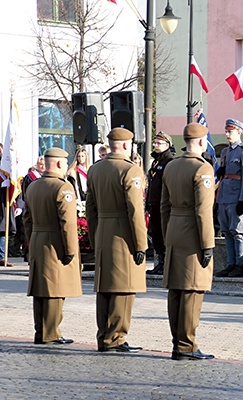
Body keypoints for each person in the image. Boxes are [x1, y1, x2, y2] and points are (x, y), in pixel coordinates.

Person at [86, 127, 147, 353]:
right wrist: (141, 244)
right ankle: (116, 338)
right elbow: (135, 211)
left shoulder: (95, 169)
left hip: (103, 230)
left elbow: (90, 209)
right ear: (124, 145)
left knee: (105, 287)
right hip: (123, 233)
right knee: (124, 287)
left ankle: (104, 335)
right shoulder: (130, 171)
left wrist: (94, 237)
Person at [161, 123, 215, 360]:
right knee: (192, 290)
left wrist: (166, 235)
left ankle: (177, 342)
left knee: (175, 290)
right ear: (202, 142)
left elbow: (163, 206)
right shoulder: (202, 168)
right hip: (193, 232)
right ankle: (187, 345)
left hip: (174, 228)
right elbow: (203, 211)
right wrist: (207, 244)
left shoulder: (171, 166)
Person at [23, 147, 81, 345]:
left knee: (40, 289)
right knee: (55, 289)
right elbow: (68, 223)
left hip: (38, 239)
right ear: (58, 164)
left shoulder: (33, 186)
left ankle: (41, 330)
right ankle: (51, 332)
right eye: (64, 163)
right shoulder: (63, 188)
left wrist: (31, 241)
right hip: (55, 241)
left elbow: (27, 220)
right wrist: (71, 250)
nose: (66, 166)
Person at [215, 118, 243, 278]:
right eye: (226, 131)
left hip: (236, 197)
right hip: (224, 197)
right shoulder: (226, 152)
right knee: (226, 231)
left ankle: (240, 265)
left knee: (238, 232)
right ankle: (231, 264)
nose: (227, 134)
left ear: (239, 132)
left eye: (230, 131)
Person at [146, 132, 175, 275]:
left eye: (159, 143)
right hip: (154, 203)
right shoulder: (156, 161)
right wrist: (147, 203)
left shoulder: (169, 161)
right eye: (155, 143)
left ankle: (166, 263)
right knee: (156, 234)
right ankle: (160, 262)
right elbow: (152, 184)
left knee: (163, 234)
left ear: (167, 145)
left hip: (163, 204)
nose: (156, 145)